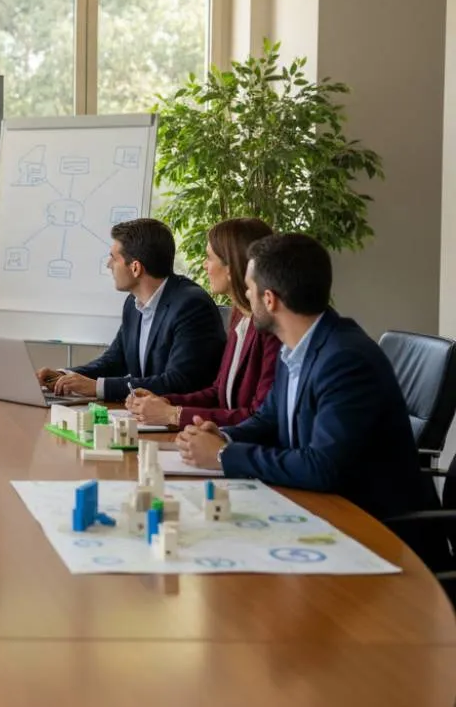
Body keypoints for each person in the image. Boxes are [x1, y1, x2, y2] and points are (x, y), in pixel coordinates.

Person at [176, 233, 437, 522]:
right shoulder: (295, 346)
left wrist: (225, 455)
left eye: (249, 288)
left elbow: (324, 466)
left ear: (269, 300)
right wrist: (223, 436)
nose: (245, 296)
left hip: (370, 526)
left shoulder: (345, 360)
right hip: (313, 506)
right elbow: (269, 418)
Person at [38, 218, 224, 402]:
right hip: (145, 414)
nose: (108, 264)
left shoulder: (191, 305)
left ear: (135, 268)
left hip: (184, 417)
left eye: (113, 258)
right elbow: (115, 361)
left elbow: (179, 382)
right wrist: (63, 376)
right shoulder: (133, 303)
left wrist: (97, 387)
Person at [127, 217, 281, 428]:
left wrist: (174, 415)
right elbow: (218, 393)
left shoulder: (270, 328)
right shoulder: (240, 316)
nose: (204, 265)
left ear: (231, 266)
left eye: (209, 257)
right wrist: (165, 402)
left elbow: (259, 416)